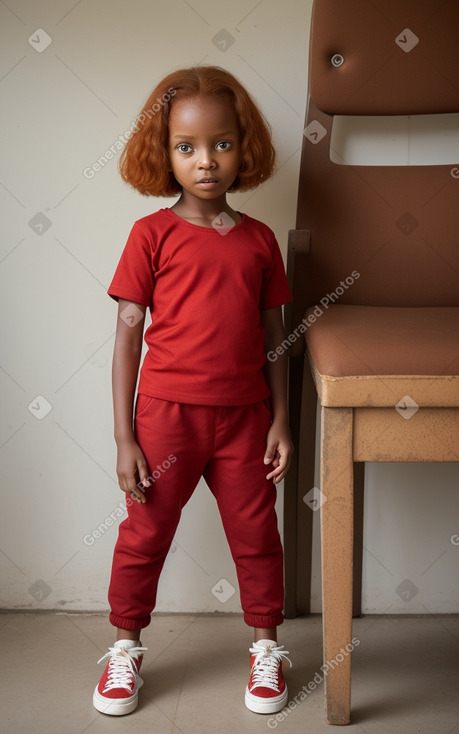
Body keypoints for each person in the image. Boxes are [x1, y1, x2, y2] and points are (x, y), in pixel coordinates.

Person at [93, 65, 293, 718]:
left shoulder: (261, 241)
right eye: (186, 147)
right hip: (164, 420)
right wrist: (125, 436)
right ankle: (125, 650)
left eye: (222, 144)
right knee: (144, 533)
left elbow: (274, 341)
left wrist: (281, 420)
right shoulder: (149, 236)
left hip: (245, 420)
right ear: (164, 153)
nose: (205, 161)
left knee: (257, 534)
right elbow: (126, 339)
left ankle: (265, 650)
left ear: (245, 147)